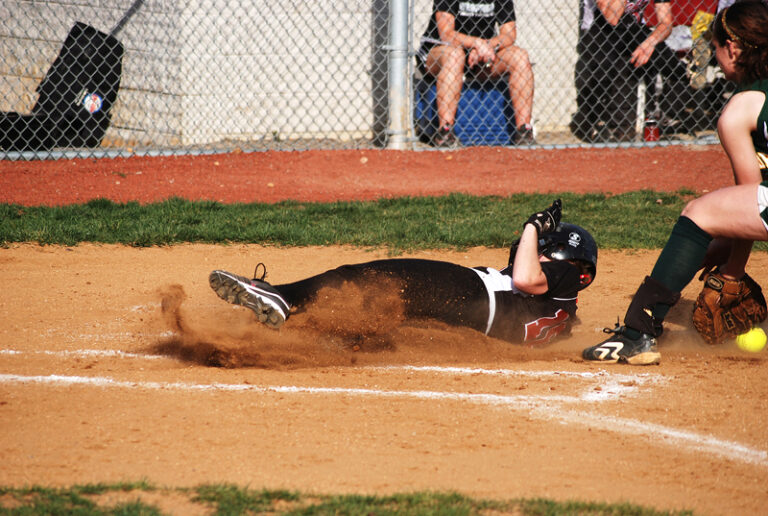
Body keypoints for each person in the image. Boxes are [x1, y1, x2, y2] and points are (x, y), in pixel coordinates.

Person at [582, 0, 768, 365]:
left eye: (716, 48)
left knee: (698, 212)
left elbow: (748, 196)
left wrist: (732, 271)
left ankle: (636, 332)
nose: (716, 58)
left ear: (733, 48)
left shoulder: (742, 107)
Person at [209, 201, 598, 345]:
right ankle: (318, 332)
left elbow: (525, 279)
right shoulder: (563, 315)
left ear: (569, 262)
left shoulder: (562, 278)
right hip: (474, 316)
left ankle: (283, 297)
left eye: (547, 251)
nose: (535, 253)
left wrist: (534, 225)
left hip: (471, 292)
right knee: (391, 311)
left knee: (373, 279)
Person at [417, 0, 535, 147]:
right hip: (441, 51)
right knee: (455, 55)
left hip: (481, 55)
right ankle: (445, 132)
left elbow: (509, 34)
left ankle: (524, 131)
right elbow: (446, 34)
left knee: (520, 56)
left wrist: (487, 46)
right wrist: (476, 43)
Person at [570, 0, 690, 142]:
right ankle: (598, 120)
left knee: (674, 67)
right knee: (604, 67)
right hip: (600, 29)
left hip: (633, 28)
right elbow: (612, 17)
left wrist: (649, 43)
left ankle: (666, 115)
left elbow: (666, 24)